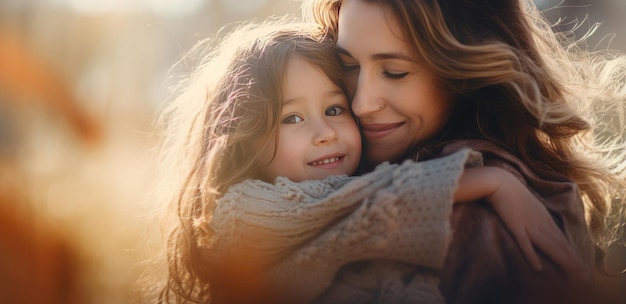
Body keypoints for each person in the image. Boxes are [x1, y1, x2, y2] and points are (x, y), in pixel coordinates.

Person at [154, 17, 586, 304]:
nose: (325, 132)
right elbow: (368, 206)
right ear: (244, 143)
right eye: (292, 118)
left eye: (334, 109)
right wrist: (493, 183)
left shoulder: (364, 174)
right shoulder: (246, 211)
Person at [301, 0, 626, 302]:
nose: (361, 104)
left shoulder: (463, 219)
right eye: (349, 65)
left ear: (463, 68)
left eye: (395, 72)